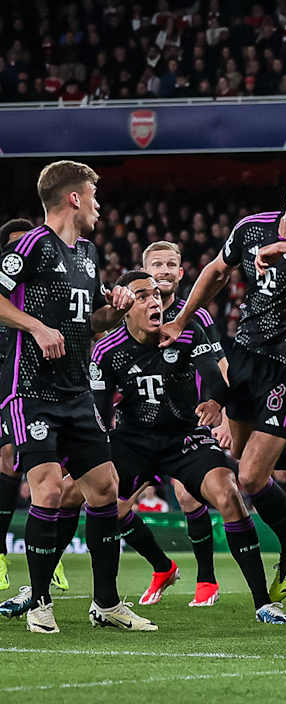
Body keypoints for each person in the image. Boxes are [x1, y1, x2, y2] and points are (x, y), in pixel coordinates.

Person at [160, 163, 286, 603]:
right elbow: (216, 272)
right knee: (243, 455)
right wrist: (183, 320)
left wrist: (285, 247)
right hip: (244, 356)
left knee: (250, 473)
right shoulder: (249, 229)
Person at [0, 161, 153, 632]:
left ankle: (106, 605)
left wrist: (117, 309)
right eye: (93, 196)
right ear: (73, 198)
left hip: (76, 392)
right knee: (47, 489)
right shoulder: (30, 245)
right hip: (31, 389)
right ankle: (40, 602)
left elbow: (89, 327)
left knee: (105, 489)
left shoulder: (86, 253)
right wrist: (36, 325)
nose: (99, 207)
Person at [91, 271, 286, 624]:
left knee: (229, 494)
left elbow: (214, 378)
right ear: (124, 308)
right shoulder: (108, 351)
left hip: (184, 436)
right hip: (132, 440)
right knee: (100, 505)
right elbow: (100, 411)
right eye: (142, 296)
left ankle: (263, 603)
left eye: (156, 294)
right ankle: (112, 593)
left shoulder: (185, 333)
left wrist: (214, 402)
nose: (154, 301)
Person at [0, 218, 68, 595]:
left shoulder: (47, 290)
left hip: (45, 386)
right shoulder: (6, 294)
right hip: (8, 384)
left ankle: (49, 558)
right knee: (8, 457)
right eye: (12, 245)